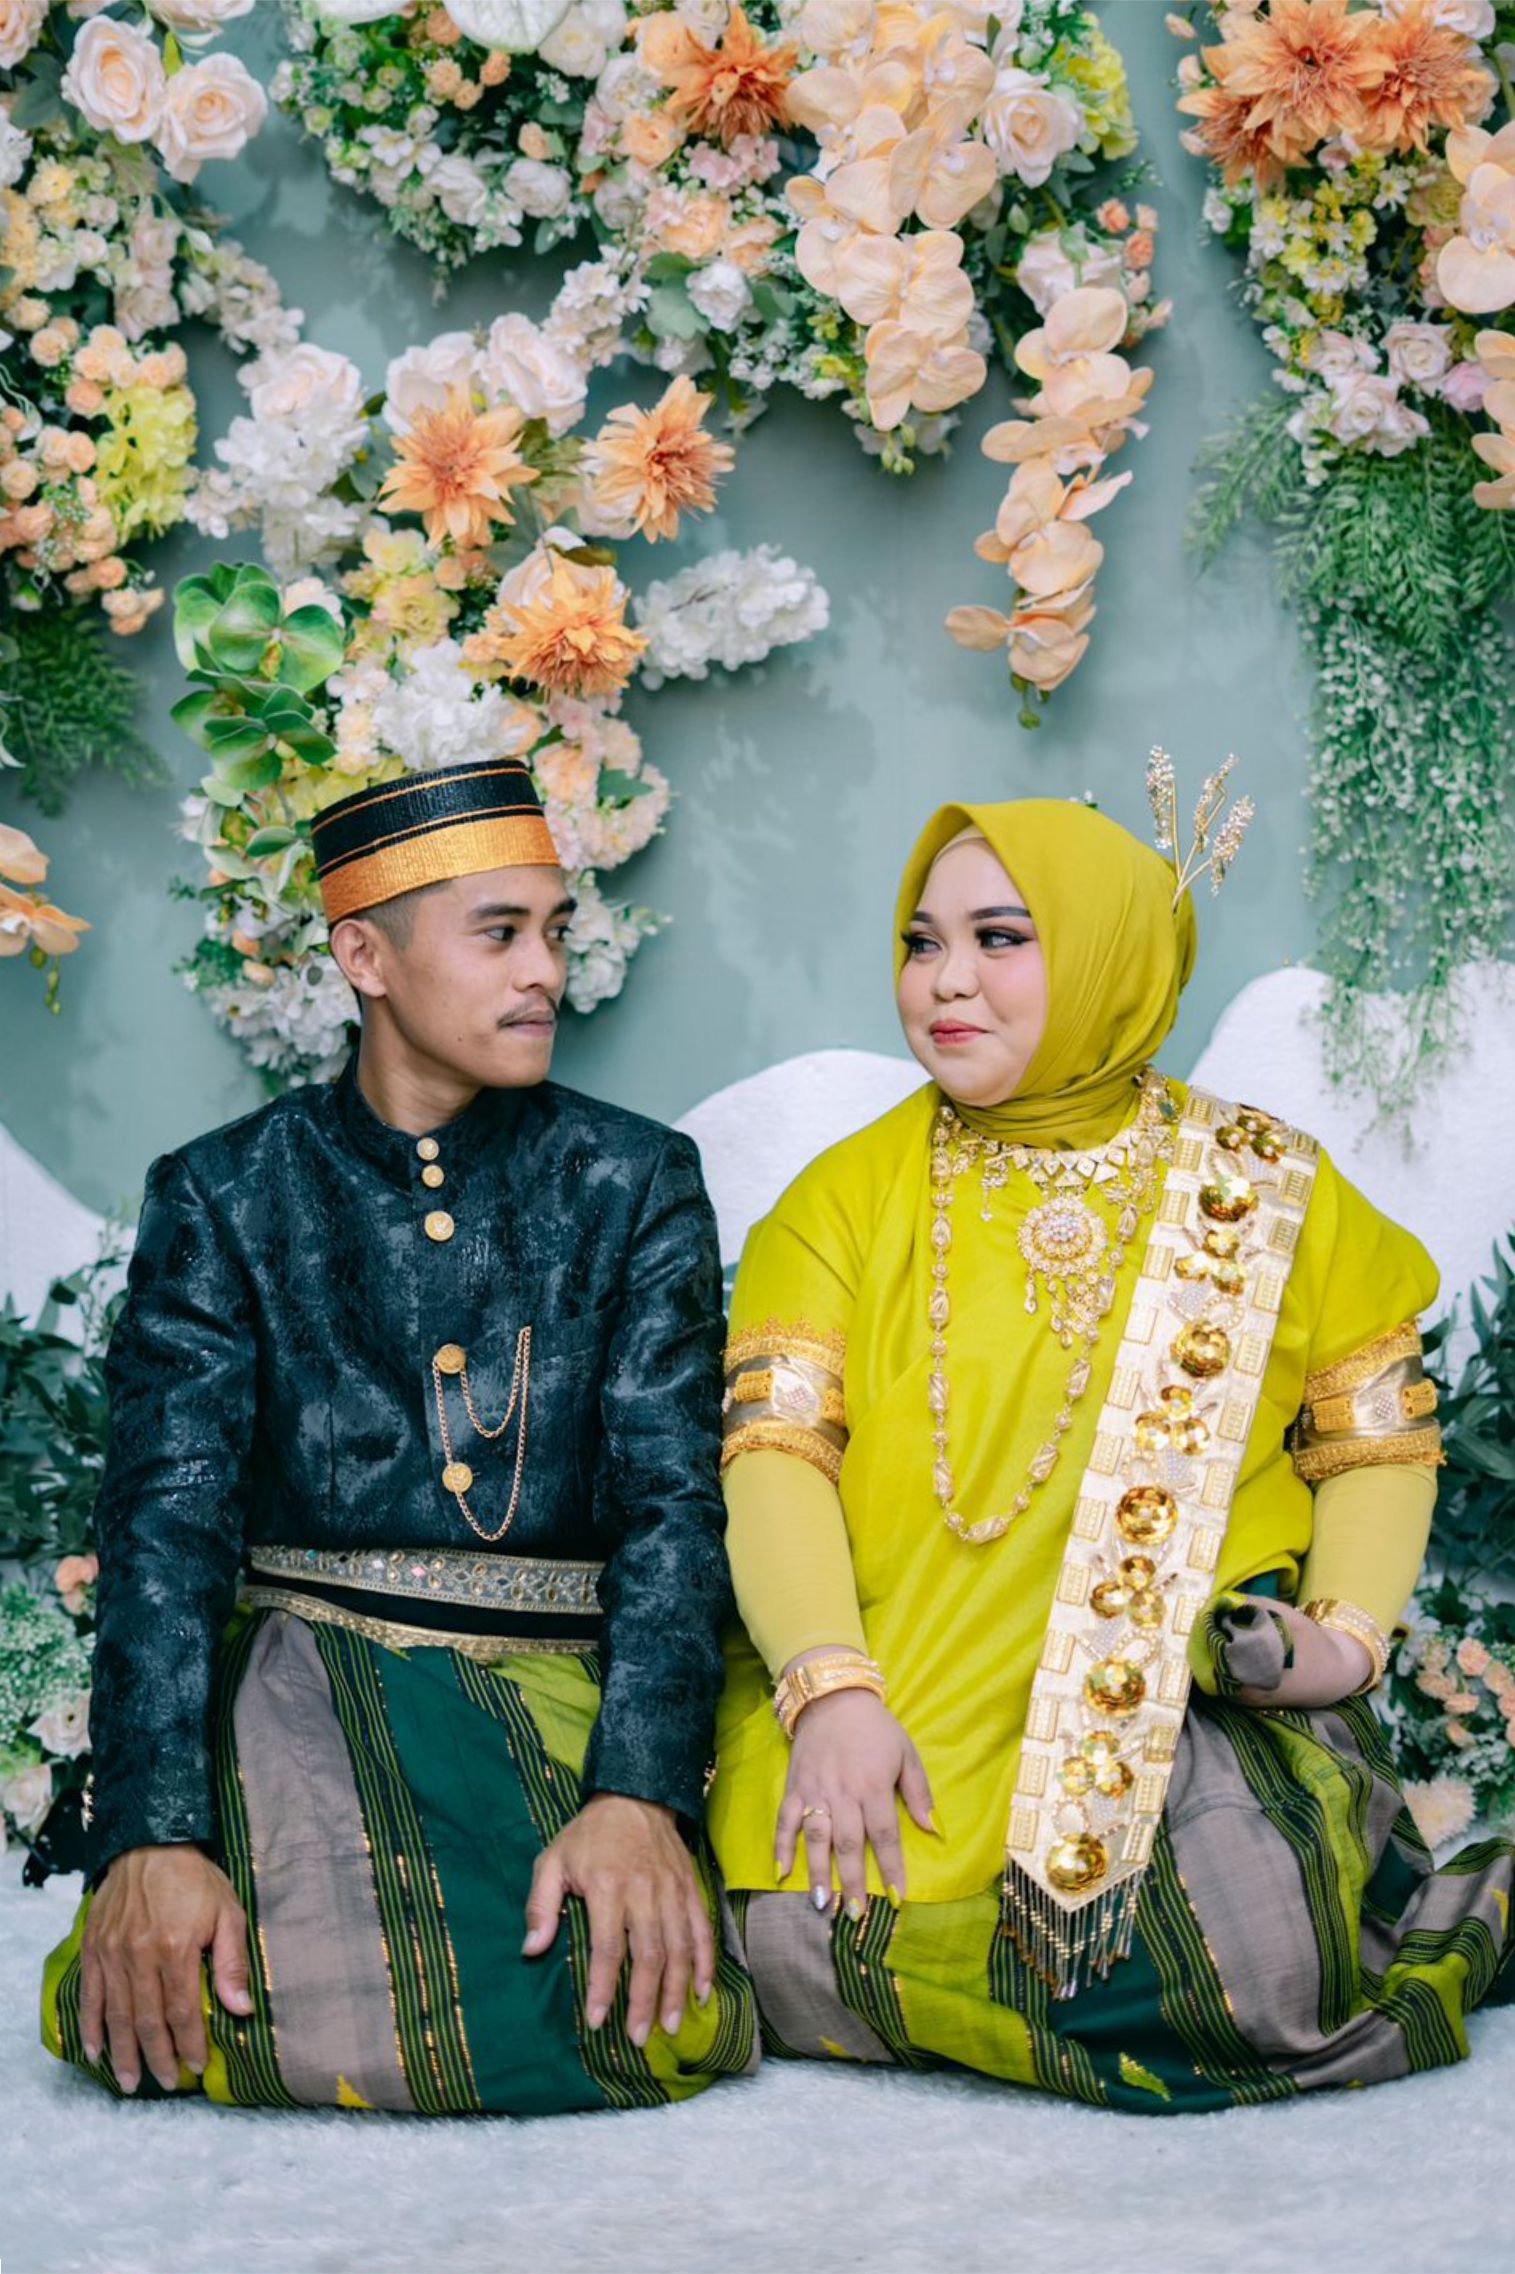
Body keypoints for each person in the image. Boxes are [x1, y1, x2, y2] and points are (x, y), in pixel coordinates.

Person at [710, 787, 1514, 2111]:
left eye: (1000, 938)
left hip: (1169, 1710)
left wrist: (1345, 1640)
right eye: (922, 942)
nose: (946, 980)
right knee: (795, 1948)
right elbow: (774, 1459)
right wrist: (830, 1692)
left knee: (1259, 1956)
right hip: (889, 1697)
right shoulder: (838, 1202)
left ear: (1107, 952)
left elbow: (1375, 1442)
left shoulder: (1264, 1187)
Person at [41, 756, 757, 2114]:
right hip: (299, 1692)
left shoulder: (634, 1179)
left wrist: (640, 1794)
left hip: (555, 1690)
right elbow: (162, 1530)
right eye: (500, 933)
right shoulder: (225, 1193)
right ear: (365, 955)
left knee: (641, 2007)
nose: (544, 971)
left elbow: (675, 1508)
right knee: (180, 1996)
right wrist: (155, 1833)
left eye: (555, 930)